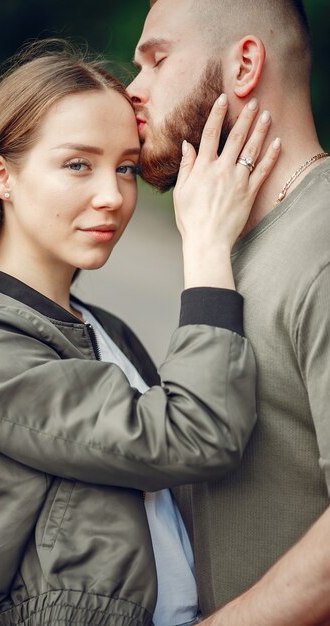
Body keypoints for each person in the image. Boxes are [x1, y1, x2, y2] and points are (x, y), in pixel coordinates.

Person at [0, 39, 280, 626]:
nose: (112, 196)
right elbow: (194, 436)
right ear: (2, 176)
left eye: (126, 167)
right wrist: (207, 246)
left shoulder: (101, 329)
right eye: (78, 164)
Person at [129, 1, 330, 624]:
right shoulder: (229, 247)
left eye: (156, 60)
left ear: (244, 65)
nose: (131, 90)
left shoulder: (322, 245)